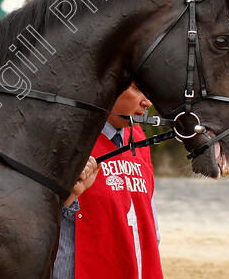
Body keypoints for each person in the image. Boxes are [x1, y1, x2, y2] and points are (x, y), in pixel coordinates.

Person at [54, 84, 162, 279]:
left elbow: (151, 228)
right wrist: (71, 196)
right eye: (137, 90)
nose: (147, 102)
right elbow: (36, 226)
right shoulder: (68, 137)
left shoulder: (139, 139)